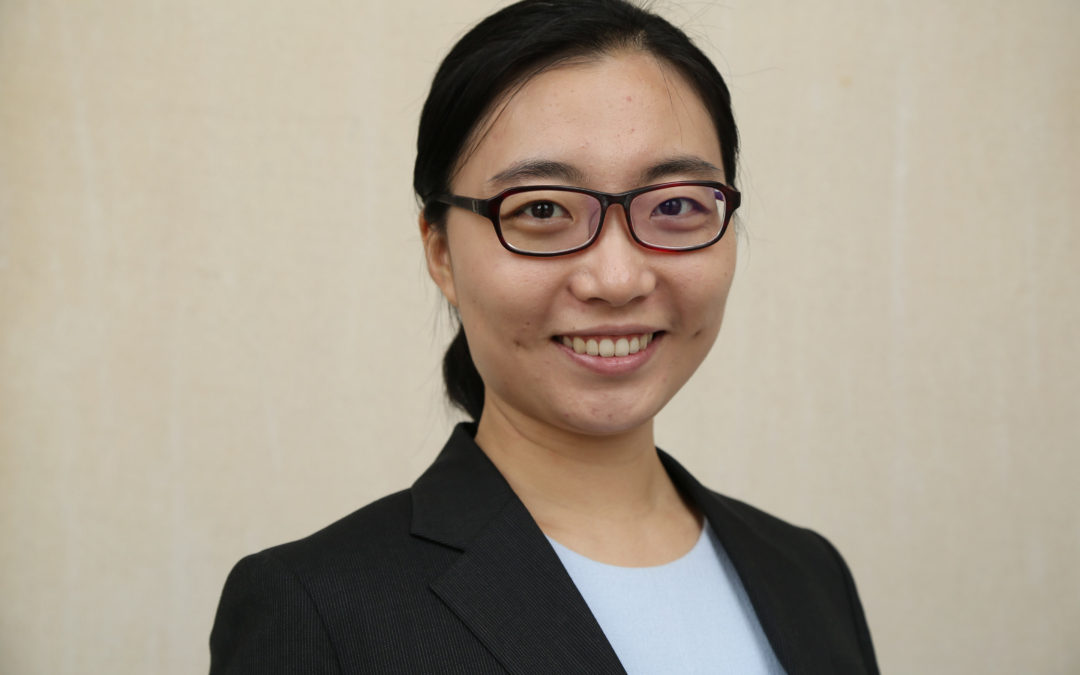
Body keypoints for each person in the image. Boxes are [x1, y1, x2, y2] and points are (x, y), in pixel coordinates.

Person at [209, 0, 879, 672]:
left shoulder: (809, 575)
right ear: (441, 252)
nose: (617, 278)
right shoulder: (320, 609)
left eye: (675, 204)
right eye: (541, 208)